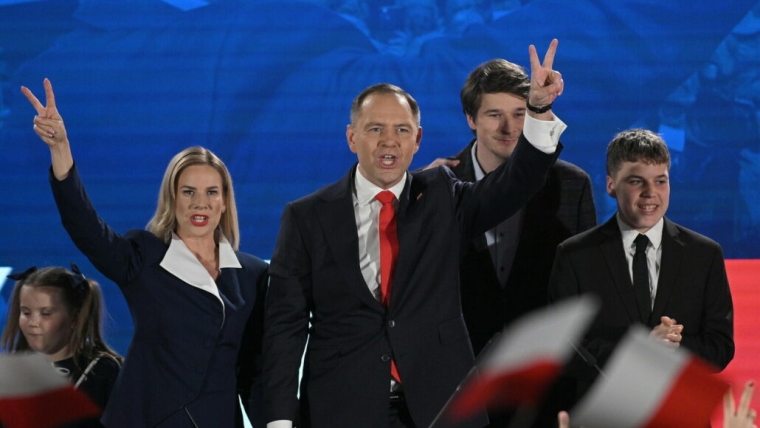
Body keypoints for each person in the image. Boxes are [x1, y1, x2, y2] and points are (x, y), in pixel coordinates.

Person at [263, 39, 564, 428]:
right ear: (352, 138)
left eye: (402, 129)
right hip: (343, 410)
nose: (389, 140)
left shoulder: (442, 196)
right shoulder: (306, 217)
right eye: (375, 129)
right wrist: (278, 421)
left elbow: (515, 183)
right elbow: (284, 327)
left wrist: (537, 109)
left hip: (441, 408)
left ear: (417, 139)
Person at [21, 78, 270, 428]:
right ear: (172, 198)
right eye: (188, 191)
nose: (200, 203)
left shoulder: (253, 274)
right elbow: (87, 229)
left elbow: (253, 370)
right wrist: (60, 149)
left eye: (212, 192)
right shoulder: (145, 257)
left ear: (225, 201)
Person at [430, 56, 597, 428]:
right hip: (458, 386)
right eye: (494, 115)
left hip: (544, 387)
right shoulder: (435, 186)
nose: (509, 128)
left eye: (519, 114)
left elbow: (582, 293)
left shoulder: (572, 186)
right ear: (471, 119)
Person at [547, 128, 735, 406]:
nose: (651, 193)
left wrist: (672, 346)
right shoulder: (575, 255)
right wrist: (642, 347)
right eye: (637, 181)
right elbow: (562, 348)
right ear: (611, 185)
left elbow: (720, 348)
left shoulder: (704, 255)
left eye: (660, 181)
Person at [1, 264, 122, 418]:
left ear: (75, 318)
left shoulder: (105, 371)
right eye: (26, 312)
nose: (33, 322)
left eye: (46, 313)